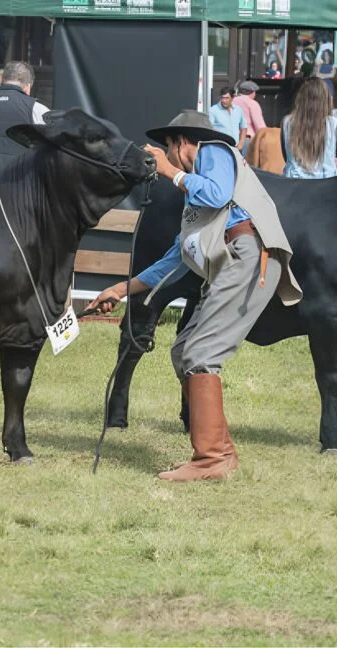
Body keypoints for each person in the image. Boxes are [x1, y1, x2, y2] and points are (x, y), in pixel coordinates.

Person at [86, 110, 302, 482]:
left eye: (168, 150)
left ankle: (210, 459)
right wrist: (121, 289)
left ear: (182, 142)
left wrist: (172, 174)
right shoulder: (194, 202)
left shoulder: (214, 151)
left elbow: (217, 194)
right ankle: (222, 452)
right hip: (236, 260)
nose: (165, 158)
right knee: (184, 350)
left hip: (247, 257)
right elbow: (176, 259)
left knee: (201, 355)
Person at [281, 77, 337, 179]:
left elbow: (286, 157)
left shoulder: (287, 122)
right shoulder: (333, 124)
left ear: (300, 98)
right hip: (325, 186)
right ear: (326, 100)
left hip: (293, 185)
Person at [232, 80, 267, 157]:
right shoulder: (252, 103)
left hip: (231, 139)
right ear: (252, 92)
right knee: (248, 166)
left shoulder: (231, 102)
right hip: (246, 140)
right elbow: (260, 126)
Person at [209, 86, 247, 152]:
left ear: (232, 98)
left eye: (227, 98)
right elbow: (209, 129)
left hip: (236, 148)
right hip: (220, 148)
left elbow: (243, 128)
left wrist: (241, 144)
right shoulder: (213, 110)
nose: (224, 100)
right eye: (222, 98)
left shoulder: (238, 110)